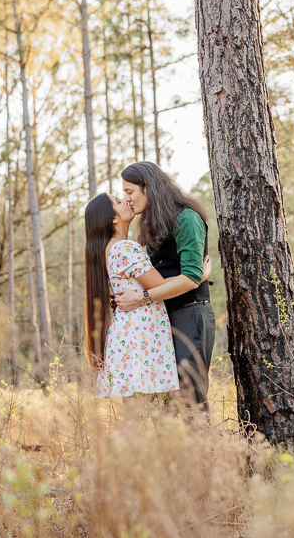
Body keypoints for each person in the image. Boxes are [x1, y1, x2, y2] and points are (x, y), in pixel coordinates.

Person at [84, 193, 211, 405]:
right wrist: (200, 275)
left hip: (127, 332)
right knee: (147, 412)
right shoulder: (126, 248)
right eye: (118, 201)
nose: (125, 200)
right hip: (141, 333)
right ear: (113, 218)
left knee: (138, 411)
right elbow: (162, 286)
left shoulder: (109, 248)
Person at [114, 162, 217, 413]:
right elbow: (141, 273)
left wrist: (142, 298)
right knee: (163, 401)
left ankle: (206, 451)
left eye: (130, 192)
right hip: (162, 318)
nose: (127, 199)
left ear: (148, 188)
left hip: (190, 313)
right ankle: (171, 452)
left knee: (189, 394)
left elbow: (189, 278)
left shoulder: (187, 218)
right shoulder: (152, 224)